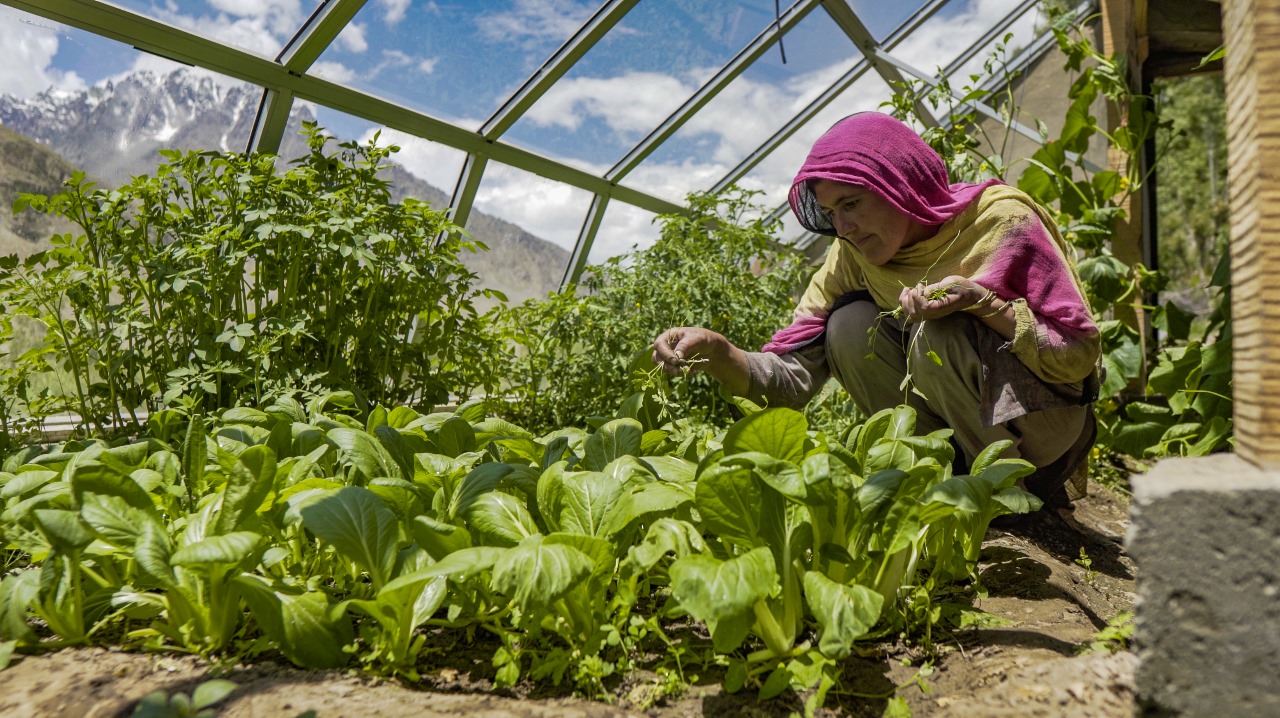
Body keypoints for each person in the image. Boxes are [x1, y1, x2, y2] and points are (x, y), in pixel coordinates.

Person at [652, 112, 1101, 507]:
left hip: (1044, 424)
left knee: (938, 332)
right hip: (965, 433)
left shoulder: (1001, 223)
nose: (843, 226)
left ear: (899, 185)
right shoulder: (853, 254)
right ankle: (942, 482)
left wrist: (982, 303)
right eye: (831, 212)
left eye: (852, 203)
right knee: (847, 325)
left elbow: (1078, 355)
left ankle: (1004, 489)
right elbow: (791, 380)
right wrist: (716, 351)